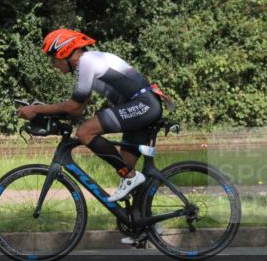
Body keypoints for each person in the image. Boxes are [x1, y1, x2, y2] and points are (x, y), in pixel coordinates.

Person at [17, 29, 164, 205]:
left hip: (143, 105)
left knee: (85, 132)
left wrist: (38, 110)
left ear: (64, 52)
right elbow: (76, 111)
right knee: (125, 167)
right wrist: (44, 112)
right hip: (143, 105)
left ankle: (130, 177)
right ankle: (143, 227)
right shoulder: (90, 61)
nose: (53, 64)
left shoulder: (87, 62)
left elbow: (73, 106)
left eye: (53, 58)